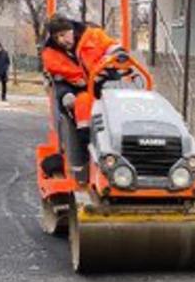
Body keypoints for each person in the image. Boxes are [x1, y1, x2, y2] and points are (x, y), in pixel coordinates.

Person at [40, 15, 130, 183]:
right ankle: (86, 152)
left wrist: (118, 56)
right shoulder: (52, 55)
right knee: (82, 104)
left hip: (107, 83)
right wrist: (66, 95)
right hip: (80, 90)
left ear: (72, 31)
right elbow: (60, 80)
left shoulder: (94, 36)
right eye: (57, 37)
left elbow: (112, 48)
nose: (62, 40)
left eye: (64, 34)